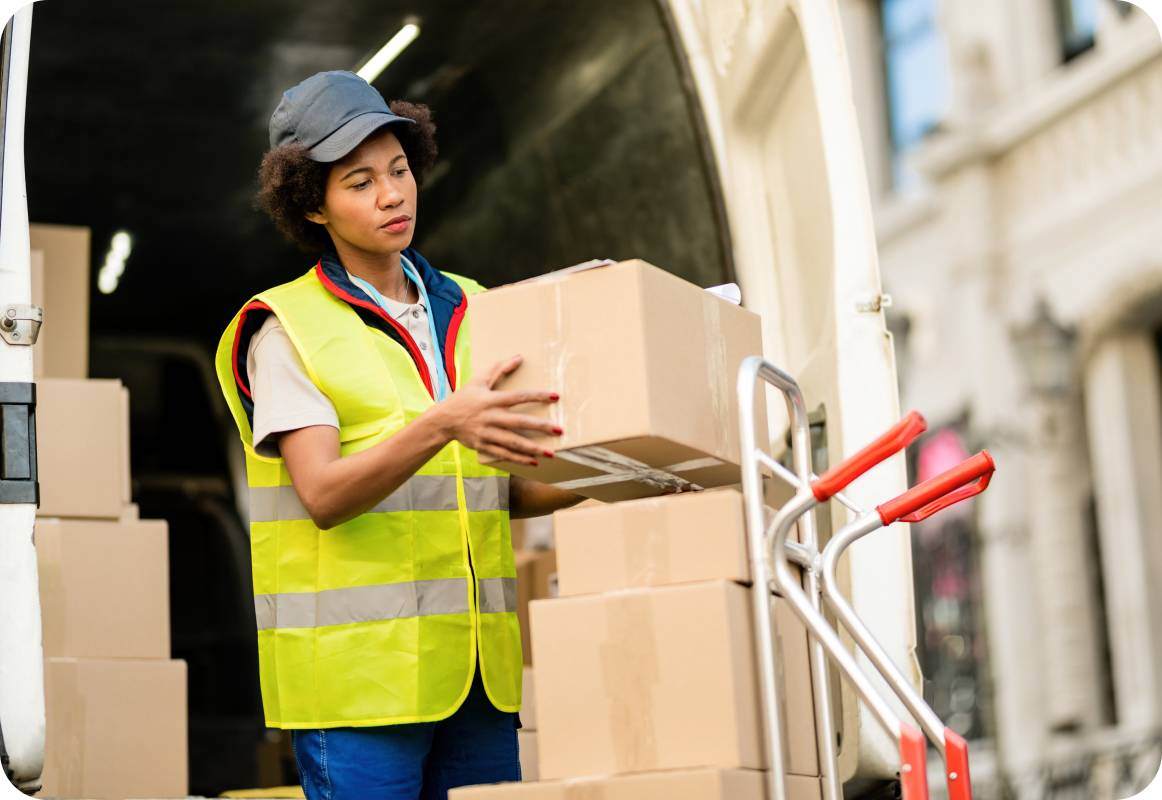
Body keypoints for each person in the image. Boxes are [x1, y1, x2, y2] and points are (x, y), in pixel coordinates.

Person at [213, 70, 582, 800]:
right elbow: (321, 493)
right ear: (312, 205)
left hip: (477, 680)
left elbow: (506, 489)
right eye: (359, 182)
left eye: (399, 170)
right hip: (359, 688)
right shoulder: (286, 330)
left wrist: (626, 473)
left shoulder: (477, 304)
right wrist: (444, 422)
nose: (392, 194)